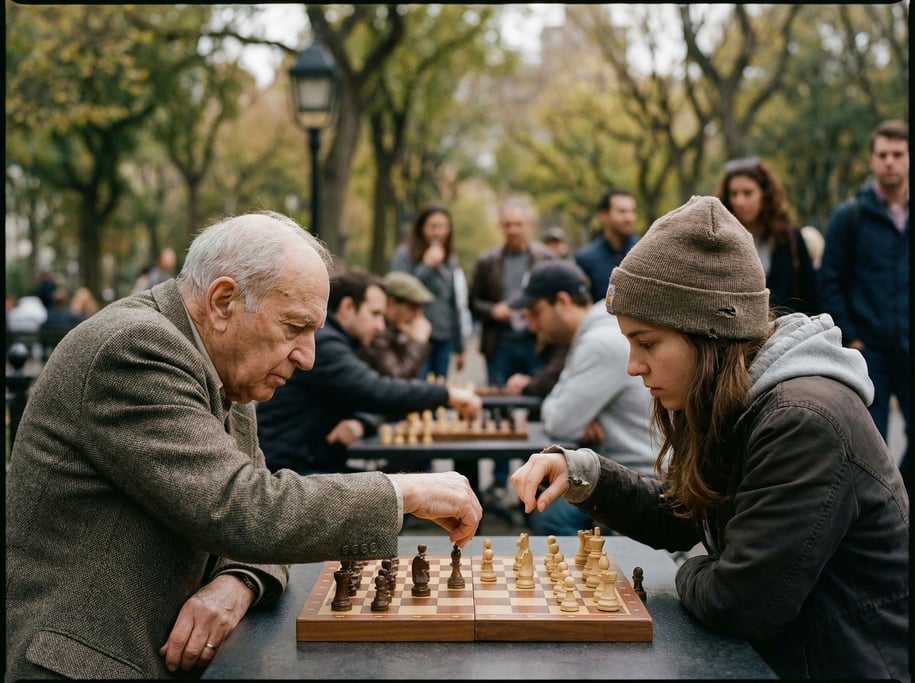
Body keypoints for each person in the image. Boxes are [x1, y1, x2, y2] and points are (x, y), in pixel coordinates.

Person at [5, 211, 483, 680]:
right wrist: (403, 493)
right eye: (295, 327)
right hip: (90, 662)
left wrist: (238, 583)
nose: (308, 357)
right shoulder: (135, 349)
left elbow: (256, 514)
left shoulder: (224, 364)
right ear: (223, 301)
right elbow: (245, 509)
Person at [510, 196, 909, 680]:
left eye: (647, 343)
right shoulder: (746, 394)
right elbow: (686, 511)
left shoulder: (803, 420)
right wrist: (583, 474)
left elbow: (742, 603)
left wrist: (691, 568)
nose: (634, 366)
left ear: (707, 332)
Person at [255, 268, 482, 476]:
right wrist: (448, 394)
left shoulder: (342, 342)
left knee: (411, 479)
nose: (381, 326)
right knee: (408, 486)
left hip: (310, 462)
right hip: (292, 472)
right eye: (375, 314)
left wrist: (362, 423)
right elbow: (378, 390)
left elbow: (365, 394)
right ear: (347, 308)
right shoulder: (326, 345)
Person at [508, 259, 654, 536]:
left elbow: (558, 421)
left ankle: (589, 576)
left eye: (535, 312)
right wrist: (581, 413)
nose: (532, 326)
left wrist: (575, 413)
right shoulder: (599, 327)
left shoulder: (598, 342)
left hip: (641, 476)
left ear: (562, 301)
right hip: (624, 465)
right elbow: (562, 410)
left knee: (544, 513)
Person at [819, 119, 909, 497]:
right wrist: (851, 338)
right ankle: (881, 523)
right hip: (868, 350)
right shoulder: (850, 216)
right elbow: (830, 279)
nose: (890, 162)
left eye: (898, 155)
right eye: (882, 154)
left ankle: (901, 503)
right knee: (872, 447)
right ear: (872, 159)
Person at [469, 196, 555, 491]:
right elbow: (472, 302)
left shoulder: (545, 258)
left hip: (536, 343)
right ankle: (498, 479)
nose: (513, 230)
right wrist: (492, 310)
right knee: (498, 411)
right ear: (500, 227)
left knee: (536, 406)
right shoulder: (487, 261)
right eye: (507, 225)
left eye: (518, 224)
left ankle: (534, 475)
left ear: (529, 226)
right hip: (500, 344)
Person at [717, 156, 819, 314]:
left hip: (788, 332)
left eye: (748, 193)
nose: (740, 201)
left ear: (765, 193)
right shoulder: (720, 239)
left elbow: (811, 296)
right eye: (734, 194)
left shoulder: (788, 238)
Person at [390, 204, 469, 380]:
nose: (438, 232)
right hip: (416, 334)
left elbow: (454, 301)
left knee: (438, 389)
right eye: (433, 226)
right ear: (421, 228)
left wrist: (460, 346)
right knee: (418, 387)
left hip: (444, 336)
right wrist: (426, 266)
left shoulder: (450, 260)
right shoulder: (404, 254)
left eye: (444, 227)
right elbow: (399, 289)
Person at [359, 271, 434, 379]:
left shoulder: (394, 329)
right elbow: (398, 379)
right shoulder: (376, 332)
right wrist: (418, 343)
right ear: (391, 303)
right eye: (413, 307)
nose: (418, 315)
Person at [574, 188, 639, 303]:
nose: (629, 218)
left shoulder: (644, 252)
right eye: (622, 212)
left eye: (632, 211)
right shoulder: (586, 259)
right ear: (604, 216)